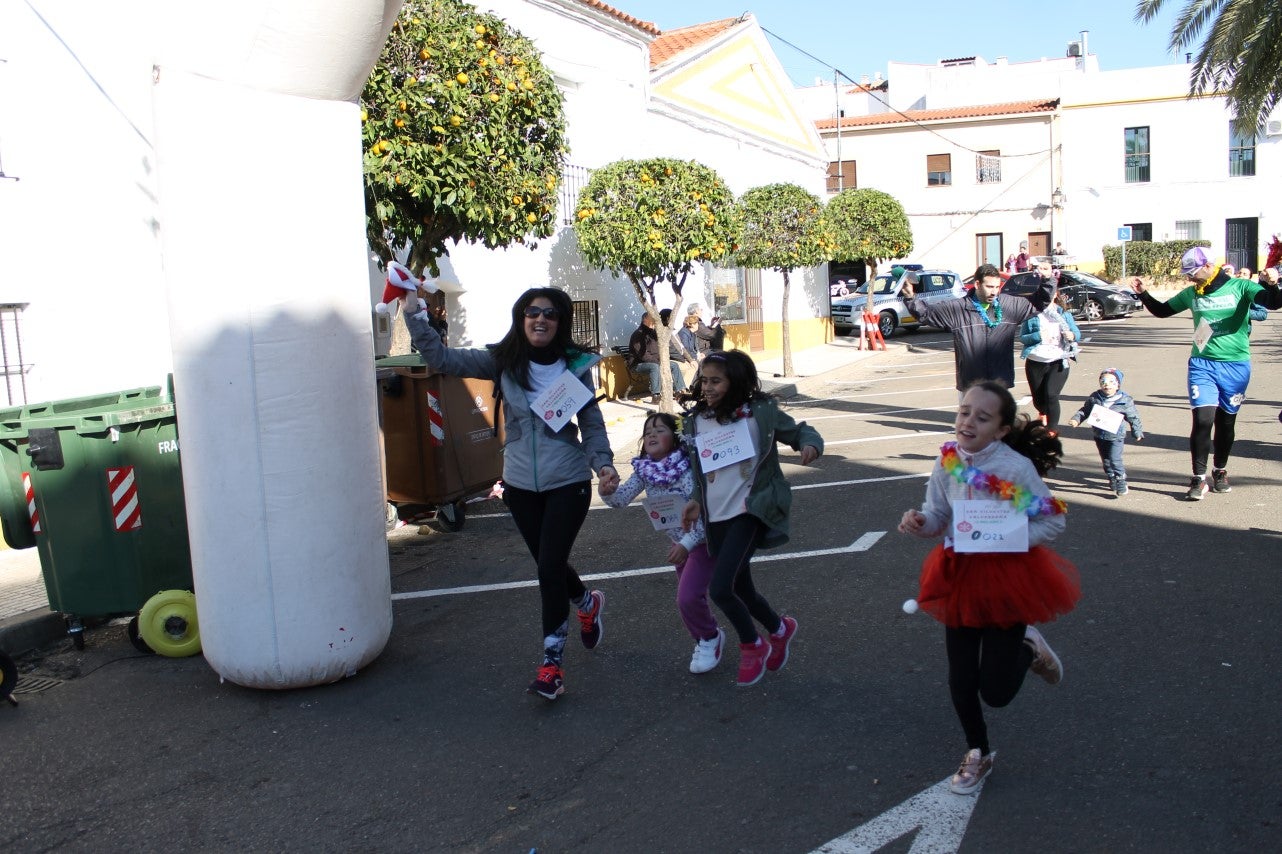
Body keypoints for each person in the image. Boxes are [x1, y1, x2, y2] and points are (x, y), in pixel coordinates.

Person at [403, 285, 618, 700]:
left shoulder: (575, 367)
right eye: (532, 312)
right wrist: (414, 313)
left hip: (568, 481)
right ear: (521, 319)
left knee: (548, 568)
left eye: (550, 314)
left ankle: (552, 663)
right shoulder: (503, 362)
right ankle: (587, 603)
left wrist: (604, 464)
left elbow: (590, 423)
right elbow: (441, 358)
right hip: (519, 485)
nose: (541, 319)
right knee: (549, 564)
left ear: (561, 322)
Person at [898, 380, 1079, 795]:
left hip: (1006, 580)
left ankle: (1029, 647)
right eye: (964, 412)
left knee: (995, 692)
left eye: (982, 417)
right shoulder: (947, 461)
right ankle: (977, 751)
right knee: (960, 679)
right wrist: (920, 522)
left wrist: (1006, 537)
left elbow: (1053, 520)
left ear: (1000, 430)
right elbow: (937, 514)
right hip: (958, 575)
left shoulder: (1015, 468)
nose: (968, 421)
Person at [679, 350, 823, 687]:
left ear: (736, 382)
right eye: (704, 380)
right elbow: (702, 470)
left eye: (716, 380)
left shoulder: (760, 413)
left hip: (750, 509)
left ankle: (751, 644)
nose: (708, 387)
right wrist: (695, 501)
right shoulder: (697, 420)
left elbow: (800, 431)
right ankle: (779, 628)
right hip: (717, 518)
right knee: (743, 591)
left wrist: (810, 444)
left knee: (720, 588)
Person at [1132, 246, 1282, 499]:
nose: (1188, 277)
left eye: (1192, 272)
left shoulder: (1241, 287)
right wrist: (1144, 294)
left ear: (1208, 266)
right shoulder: (1192, 293)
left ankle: (1220, 470)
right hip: (1202, 364)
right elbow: (1163, 310)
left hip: (1235, 365)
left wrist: (1272, 285)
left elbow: (1274, 303)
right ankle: (1198, 478)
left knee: (1226, 423)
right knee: (1202, 420)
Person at [599, 412, 724, 674]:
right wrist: (606, 491)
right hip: (680, 544)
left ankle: (710, 637)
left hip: (701, 543)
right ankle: (705, 637)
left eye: (659, 430)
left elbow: (702, 515)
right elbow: (620, 500)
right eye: (647, 432)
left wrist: (686, 545)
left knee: (687, 597)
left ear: (676, 439)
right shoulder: (645, 470)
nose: (652, 435)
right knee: (691, 598)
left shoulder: (688, 467)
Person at [903, 263, 1053, 399]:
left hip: (1000, 384)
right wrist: (910, 297)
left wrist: (1047, 279)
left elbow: (1039, 302)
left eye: (997, 287)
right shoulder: (958, 309)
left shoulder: (1010, 305)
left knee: (999, 427)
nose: (994, 292)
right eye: (989, 287)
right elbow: (926, 314)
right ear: (977, 284)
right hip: (971, 386)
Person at [1019, 261, 1080, 429]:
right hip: (1035, 360)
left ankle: (1052, 431)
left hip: (1058, 360)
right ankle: (1043, 412)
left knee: (1051, 395)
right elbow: (1023, 337)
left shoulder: (1063, 314)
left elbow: (1077, 334)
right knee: (1039, 400)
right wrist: (1038, 335)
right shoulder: (1031, 314)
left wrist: (1071, 335)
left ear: (1055, 295)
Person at [1067, 368, 1144, 496]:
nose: (1106, 384)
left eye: (1111, 381)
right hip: (1099, 434)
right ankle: (1111, 476)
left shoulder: (1124, 400)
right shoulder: (1095, 397)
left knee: (1115, 459)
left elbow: (1133, 416)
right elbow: (1085, 411)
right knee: (1106, 460)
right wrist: (1076, 419)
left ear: (1118, 384)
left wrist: (1137, 431)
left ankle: (1121, 479)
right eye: (1103, 381)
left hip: (1116, 436)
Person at [628, 311, 690, 404]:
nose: (655, 320)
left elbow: (660, 349)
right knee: (655, 367)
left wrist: (662, 361)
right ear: (645, 319)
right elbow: (643, 355)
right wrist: (659, 362)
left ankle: (679, 391)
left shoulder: (653, 333)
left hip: (654, 362)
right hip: (637, 364)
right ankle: (655, 395)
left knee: (674, 365)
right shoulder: (638, 334)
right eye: (652, 318)